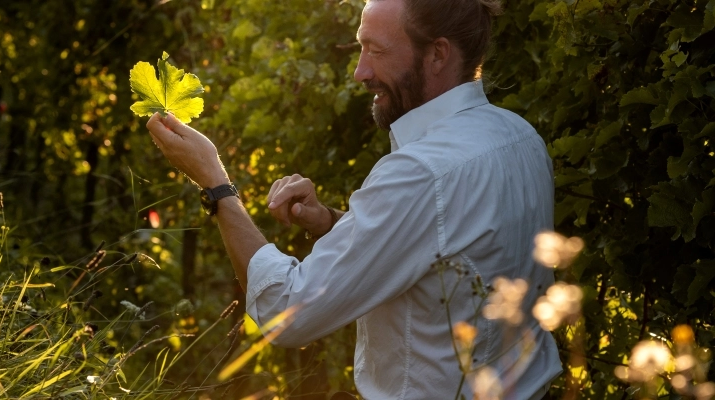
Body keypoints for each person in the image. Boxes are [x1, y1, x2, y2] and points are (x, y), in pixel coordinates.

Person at [146, 0, 562, 398]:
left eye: (376, 51)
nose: (360, 72)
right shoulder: (519, 136)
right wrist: (331, 223)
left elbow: (287, 311)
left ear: (437, 55)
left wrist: (214, 182)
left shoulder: (420, 173)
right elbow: (451, 250)